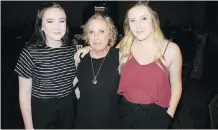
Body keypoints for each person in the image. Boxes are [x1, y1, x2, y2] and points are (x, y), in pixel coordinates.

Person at [75, 1, 182, 129]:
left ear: (153, 20)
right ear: (128, 24)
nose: (138, 25)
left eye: (143, 18)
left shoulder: (171, 49)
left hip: (157, 116)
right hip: (125, 114)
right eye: (132, 20)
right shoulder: (125, 47)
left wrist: (168, 116)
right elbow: (107, 50)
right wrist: (88, 49)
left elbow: (177, 87)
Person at [14, 2, 77, 129]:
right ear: (41, 26)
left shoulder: (72, 50)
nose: (57, 27)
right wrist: (29, 127)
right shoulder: (29, 53)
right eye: (50, 21)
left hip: (68, 106)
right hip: (43, 109)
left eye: (61, 21)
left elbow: (72, 82)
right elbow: (24, 96)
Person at [74, 14, 121, 129]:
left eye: (101, 31)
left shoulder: (120, 57)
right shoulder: (79, 58)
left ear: (110, 34)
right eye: (91, 32)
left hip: (112, 124)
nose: (96, 37)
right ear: (86, 35)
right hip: (83, 124)